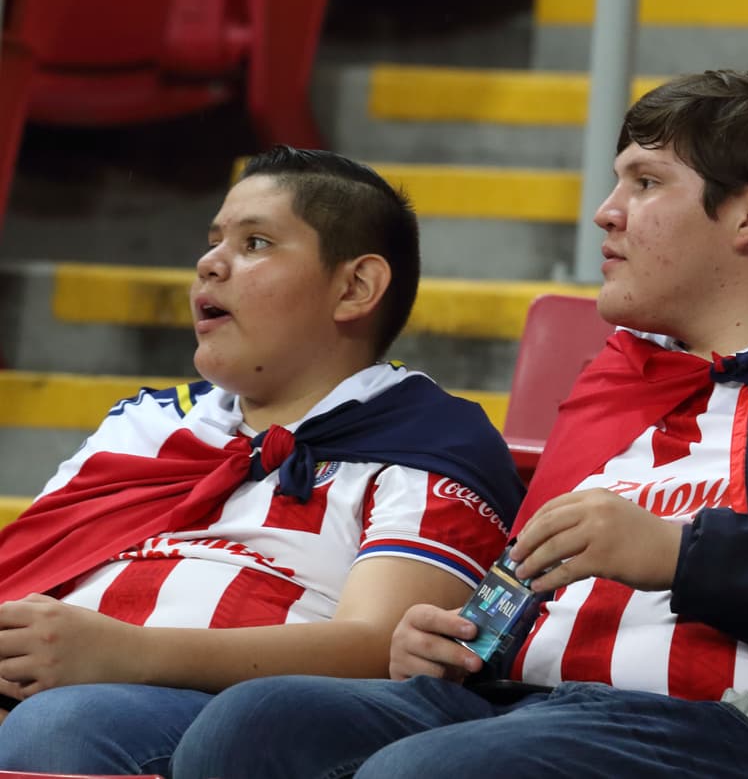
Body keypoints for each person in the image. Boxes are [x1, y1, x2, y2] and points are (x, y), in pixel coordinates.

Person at [172, 70, 748, 779]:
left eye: (646, 182)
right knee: (254, 725)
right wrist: (455, 635)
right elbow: (523, 589)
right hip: (519, 702)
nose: (607, 210)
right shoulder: (623, 378)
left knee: (428, 772)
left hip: (728, 725)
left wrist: (682, 552)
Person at [0, 147, 525, 775]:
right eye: (213, 241)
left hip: (230, 718)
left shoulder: (433, 439)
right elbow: (31, 568)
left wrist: (129, 652)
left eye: (255, 244)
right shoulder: (145, 422)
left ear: (355, 288)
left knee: (60, 726)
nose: (210, 264)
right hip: (45, 687)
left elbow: (384, 649)